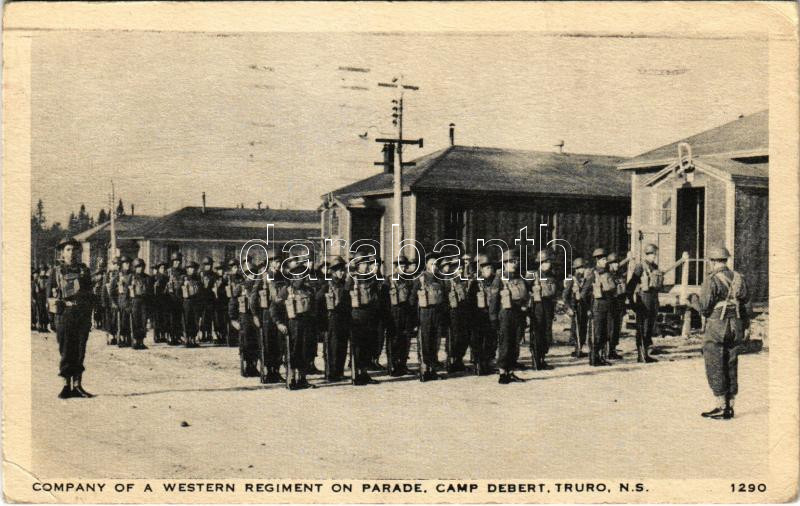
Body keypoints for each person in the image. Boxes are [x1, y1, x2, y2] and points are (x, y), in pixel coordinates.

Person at [697, 246, 750, 420]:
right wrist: (746, 325)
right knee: (731, 362)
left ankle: (721, 405)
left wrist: (692, 301)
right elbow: (744, 303)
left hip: (717, 326)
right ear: (725, 260)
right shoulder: (738, 278)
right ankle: (731, 405)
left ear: (712, 262)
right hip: (736, 325)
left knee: (715, 363)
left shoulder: (711, 280)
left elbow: (705, 308)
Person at [47, 237, 94, 398]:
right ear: (62, 252)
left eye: (74, 249)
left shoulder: (84, 270)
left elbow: (90, 295)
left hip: (81, 314)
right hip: (64, 314)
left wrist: (91, 315)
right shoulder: (56, 271)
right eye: (68, 249)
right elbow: (50, 296)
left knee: (80, 349)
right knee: (66, 350)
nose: (71, 253)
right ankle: (66, 385)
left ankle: (78, 385)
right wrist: (51, 319)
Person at [272, 263, 317, 389]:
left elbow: (314, 308)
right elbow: (274, 308)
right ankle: (291, 379)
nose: (301, 278)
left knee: (306, 351)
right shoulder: (286, 290)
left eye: (303, 275)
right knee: (293, 352)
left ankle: (302, 379)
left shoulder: (309, 290)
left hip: (307, 324)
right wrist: (279, 323)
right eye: (298, 276)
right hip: (293, 325)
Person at [410, 252, 448, 382]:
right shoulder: (420, 279)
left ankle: (433, 369)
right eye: (431, 264)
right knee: (425, 342)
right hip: (425, 314)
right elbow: (412, 300)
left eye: (436, 264)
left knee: (435, 342)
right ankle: (424, 370)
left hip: (437, 314)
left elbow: (444, 299)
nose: (434, 266)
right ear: (426, 265)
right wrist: (415, 319)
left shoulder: (440, 279)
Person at [492, 248, 528, 384]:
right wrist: (493, 317)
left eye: (516, 261)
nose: (514, 264)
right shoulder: (499, 279)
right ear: (504, 263)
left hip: (518, 314)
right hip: (505, 314)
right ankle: (502, 372)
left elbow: (525, 295)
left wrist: (525, 307)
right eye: (511, 261)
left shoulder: (519, 278)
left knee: (515, 343)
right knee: (505, 343)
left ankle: (511, 371)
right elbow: (494, 300)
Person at [316, 256, 351, 381]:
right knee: (333, 347)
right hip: (332, 319)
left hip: (344, 319)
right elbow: (318, 300)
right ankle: (331, 373)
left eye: (343, 270)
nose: (342, 272)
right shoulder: (328, 284)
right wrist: (322, 319)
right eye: (340, 270)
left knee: (342, 346)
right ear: (334, 271)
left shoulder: (345, 284)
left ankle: (339, 372)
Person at [627, 243, 661, 363]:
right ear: (647, 254)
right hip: (644, 299)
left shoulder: (655, 267)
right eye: (652, 255)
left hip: (653, 299)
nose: (654, 257)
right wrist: (631, 303)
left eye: (655, 255)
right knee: (643, 327)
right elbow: (631, 285)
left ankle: (645, 353)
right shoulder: (640, 267)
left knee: (650, 326)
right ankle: (641, 354)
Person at [580, 248, 615, 366]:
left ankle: (600, 356)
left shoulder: (608, 273)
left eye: (606, 259)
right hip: (597, 307)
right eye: (603, 259)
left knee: (606, 333)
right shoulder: (592, 274)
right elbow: (583, 294)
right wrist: (588, 309)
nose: (606, 261)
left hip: (607, 306)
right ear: (597, 260)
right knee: (597, 334)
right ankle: (594, 358)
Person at [468, 254, 499, 375]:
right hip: (478, 317)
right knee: (478, 341)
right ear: (481, 269)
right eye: (486, 268)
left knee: (491, 340)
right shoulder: (476, 283)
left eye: (490, 268)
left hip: (491, 316)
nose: (489, 270)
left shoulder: (496, 282)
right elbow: (470, 301)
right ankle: (479, 364)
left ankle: (488, 362)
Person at [257, 253, 286, 383]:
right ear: (270, 262)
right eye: (275, 261)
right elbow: (254, 296)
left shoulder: (282, 275)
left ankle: (277, 370)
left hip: (281, 312)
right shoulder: (264, 276)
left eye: (279, 261)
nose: (278, 264)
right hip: (267, 314)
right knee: (269, 343)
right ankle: (269, 372)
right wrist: (255, 315)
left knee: (280, 343)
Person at [385, 255, 415, 377]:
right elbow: (385, 300)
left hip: (406, 313)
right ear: (396, 267)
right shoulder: (389, 280)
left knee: (405, 340)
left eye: (404, 266)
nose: (402, 268)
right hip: (394, 313)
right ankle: (392, 365)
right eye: (400, 266)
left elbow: (412, 298)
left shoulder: (409, 280)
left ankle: (402, 364)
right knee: (394, 340)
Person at [229, 267, 261, 377]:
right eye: (248, 274)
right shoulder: (239, 288)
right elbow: (233, 304)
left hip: (256, 317)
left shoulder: (259, 286)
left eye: (253, 274)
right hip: (245, 317)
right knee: (246, 342)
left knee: (258, 341)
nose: (251, 277)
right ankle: (248, 365)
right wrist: (233, 319)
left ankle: (254, 365)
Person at [528, 249, 558, 370]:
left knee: (547, 333)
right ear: (541, 262)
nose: (549, 264)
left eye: (549, 261)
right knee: (537, 332)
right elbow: (525, 290)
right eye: (546, 261)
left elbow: (555, 292)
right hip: (537, 306)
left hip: (549, 305)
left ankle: (542, 358)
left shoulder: (552, 275)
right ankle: (536, 359)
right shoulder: (533, 275)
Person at [443, 256, 471, 373]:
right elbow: (444, 298)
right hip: (452, 313)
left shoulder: (463, 281)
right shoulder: (447, 281)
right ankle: (451, 361)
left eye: (461, 268)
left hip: (463, 313)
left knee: (463, 338)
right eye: (458, 268)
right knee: (453, 338)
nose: (460, 271)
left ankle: (459, 360)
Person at [563, 257, 589, 359]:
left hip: (583, 306)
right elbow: (565, 295)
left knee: (583, 327)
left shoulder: (585, 279)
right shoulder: (571, 279)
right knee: (576, 327)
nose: (583, 269)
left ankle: (580, 347)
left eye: (583, 267)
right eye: (581, 267)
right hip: (575, 306)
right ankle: (576, 348)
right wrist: (568, 307)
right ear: (576, 269)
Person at [606, 253, 627, 360]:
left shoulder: (620, 275)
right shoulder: (607, 275)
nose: (616, 265)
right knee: (610, 328)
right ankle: (607, 350)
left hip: (619, 305)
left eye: (617, 263)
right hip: (610, 305)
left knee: (617, 328)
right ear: (609, 264)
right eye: (614, 263)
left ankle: (613, 349)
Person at [129, 258, 151, 350]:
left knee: (143, 321)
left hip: (144, 301)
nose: (140, 269)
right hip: (135, 301)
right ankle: (135, 341)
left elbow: (150, 292)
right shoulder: (131, 277)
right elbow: (127, 291)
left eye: (141, 267)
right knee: (135, 321)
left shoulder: (147, 278)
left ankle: (141, 341)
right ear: (134, 268)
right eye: (138, 267)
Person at [111, 256, 133, 347]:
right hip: (121, 302)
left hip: (130, 301)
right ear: (122, 265)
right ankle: (121, 338)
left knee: (130, 320)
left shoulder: (132, 275)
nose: (127, 265)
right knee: (122, 320)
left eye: (128, 263)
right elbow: (112, 291)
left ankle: (129, 338)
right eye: (125, 263)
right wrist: (114, 302)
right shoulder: (117, 276)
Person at [181, 261, 202, 347]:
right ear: (187, 269)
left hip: (195, 302)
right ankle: (187, 339)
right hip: (187, 302)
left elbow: (200, 291)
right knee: (187, 320)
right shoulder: (183, 278)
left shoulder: (198, 279)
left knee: (195, 320)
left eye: (193, 268)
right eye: (189, 268)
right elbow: (178, 290)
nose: (191, 270)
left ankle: (193, 339)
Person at [166, 252, 185, 345]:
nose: (177, 263)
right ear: (172, 261)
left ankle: (178, 336)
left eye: (178, 261)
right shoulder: (168, 272)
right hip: (170, 298)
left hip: (180, 298)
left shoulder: (182, 272)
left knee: (179, 318)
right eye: (175, 261)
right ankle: (171, 337)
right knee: (171, 318)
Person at [199, 256, 216, 342]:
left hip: (210, 299)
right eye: (206, 265)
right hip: (202, 299)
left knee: (209, 317)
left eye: (209, 265)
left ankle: (209, 334)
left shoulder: (213, 275)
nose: (208, 267)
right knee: (203, 318)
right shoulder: (201, 274)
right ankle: (203, 335)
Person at [211, 263, 229, 344]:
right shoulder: (214, 279)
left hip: (223, 302)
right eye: (218, 270)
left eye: (221, 269)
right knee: (216, 319)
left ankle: (223, 335)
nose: (220, 271)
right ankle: (217, 336)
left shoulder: (225, 280)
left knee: (223, 319)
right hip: (216, 303)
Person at [151, 263, 169, 343]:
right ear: (158, 269)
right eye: (161, 268)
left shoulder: (167, 278)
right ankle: (156, 336)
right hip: (156, 301)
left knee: (164, 318)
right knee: (157, 319)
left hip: (164, 300)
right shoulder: (154, 278)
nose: (163, 269)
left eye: (164, 268)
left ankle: (163, 335)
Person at [34, 265, 50, 332]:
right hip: (40, 296)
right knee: (40, 311)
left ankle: (45, 326)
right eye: (42, 277)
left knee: (45, 311)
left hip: (44, 295)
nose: (43, 279)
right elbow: (36, 285)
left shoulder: (46, 278)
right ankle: (40, 326)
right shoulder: (37, 280)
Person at [91, 258, 106, 330]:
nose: (101, 263)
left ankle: (101, 323)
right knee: (96, 309)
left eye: (102, 262)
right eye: (100, 262)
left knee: (101, 309)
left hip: (102, 293)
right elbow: (92, 281)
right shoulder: (96, 273)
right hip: (96, 293)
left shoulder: (104, 272)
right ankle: (96, 323)